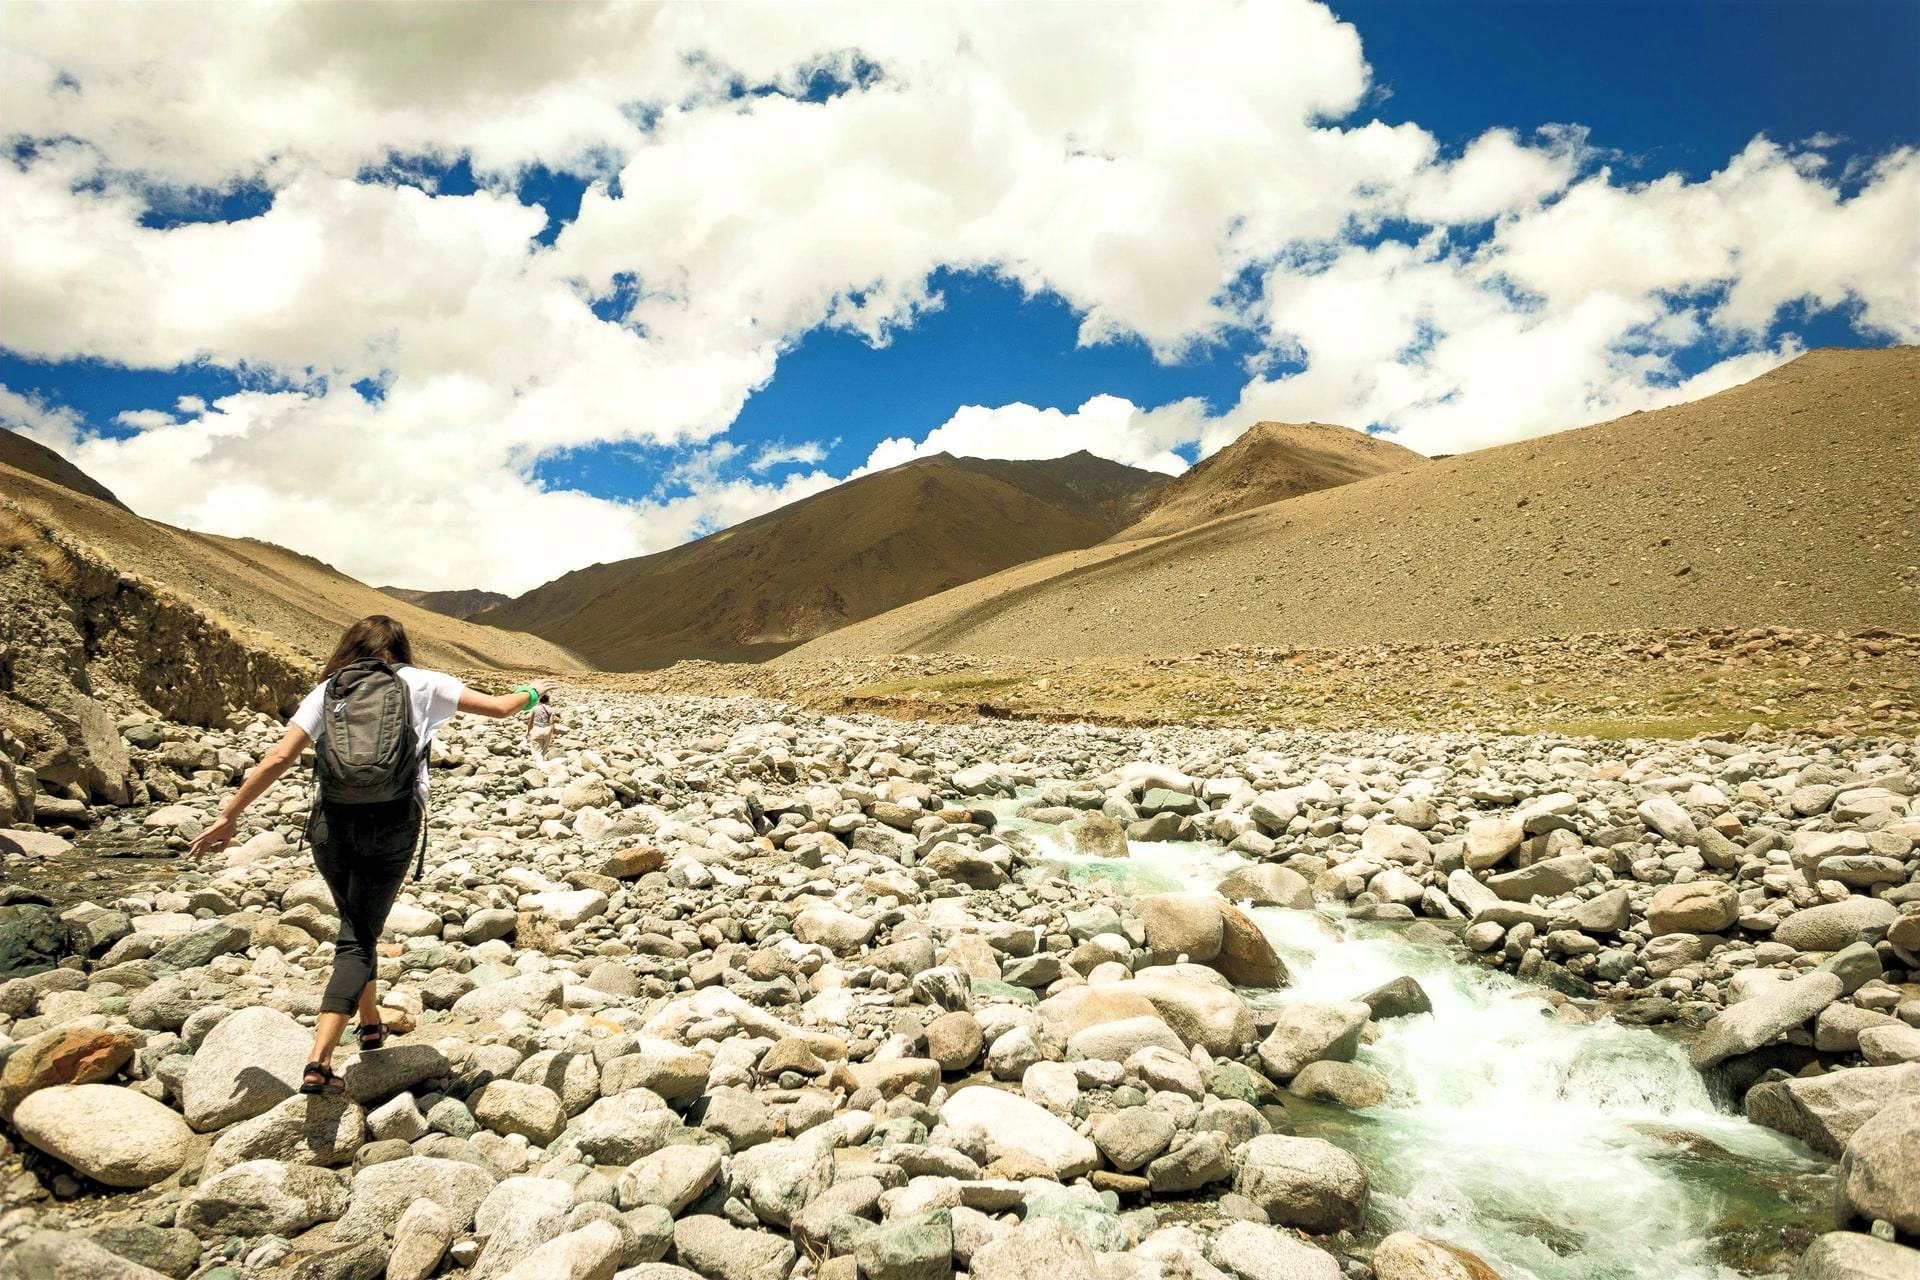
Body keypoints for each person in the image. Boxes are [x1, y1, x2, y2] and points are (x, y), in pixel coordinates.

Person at [187, 615, 556, 1095]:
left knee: (355, 922)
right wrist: (531, 691)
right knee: (358, 936)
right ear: (399, 647)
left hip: (330, 824)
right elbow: (502, 709)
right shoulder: (424, 683)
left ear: (350, 647)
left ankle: (370, 1021)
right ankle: (319, 1059)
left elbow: (279, 757)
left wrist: (229, 815)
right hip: (393, 822)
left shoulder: (329, 690)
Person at [527, 691, 559, 766]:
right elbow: (551, 723)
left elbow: (530, 722)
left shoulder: (535, 709)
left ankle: (539, 766)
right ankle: (542, 764)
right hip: (547, 730)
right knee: (544, 750)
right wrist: (552, 734)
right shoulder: (551, 710)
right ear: (548, 701)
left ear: (539, 700)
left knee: (536, 751)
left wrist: (528, 732)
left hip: (537, 729)